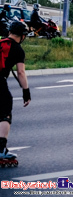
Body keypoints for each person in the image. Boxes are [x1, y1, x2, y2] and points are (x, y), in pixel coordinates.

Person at [0, 21, 31, 167]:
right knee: (5, 112)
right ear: (22, 35)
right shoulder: (18, 49)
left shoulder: (1, 43)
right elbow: (20, 72)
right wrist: (26, 92)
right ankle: (1, 149)